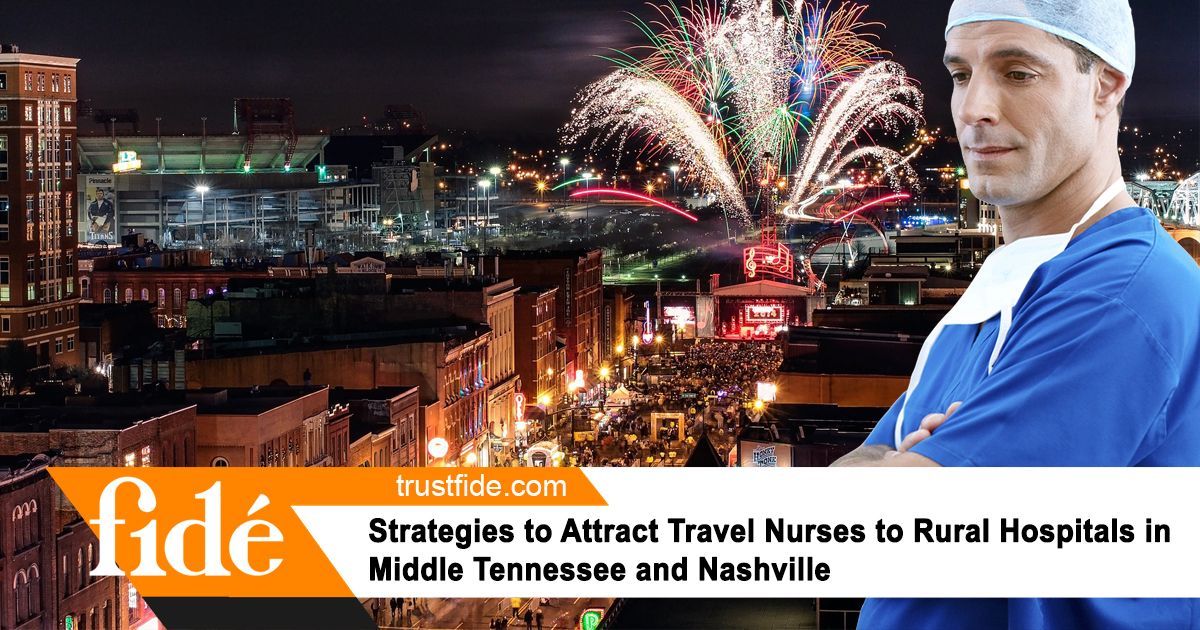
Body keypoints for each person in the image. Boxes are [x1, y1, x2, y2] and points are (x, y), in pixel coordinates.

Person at [832, 0, 1200, 628]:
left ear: (1106, 84)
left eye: (1018, 72)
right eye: (959, 74)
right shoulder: (1007, 289)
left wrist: (903, 480)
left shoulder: (1119, 297)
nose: (975, 108)